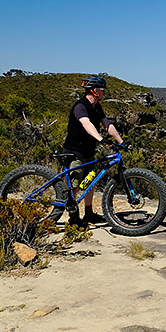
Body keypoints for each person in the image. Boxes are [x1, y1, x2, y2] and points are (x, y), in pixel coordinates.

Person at [61, 75, 124, 225]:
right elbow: (87, 124)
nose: (103, 93)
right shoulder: (80, 106)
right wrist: (101, 140)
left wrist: (121, 141)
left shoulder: (97, 107)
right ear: (95, 90)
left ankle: (89, 214)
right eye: (102, 90)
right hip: (74, 152)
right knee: (75, 185)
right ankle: (73, 217)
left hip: (88, 152)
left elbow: (107, 125)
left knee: (91, 182)